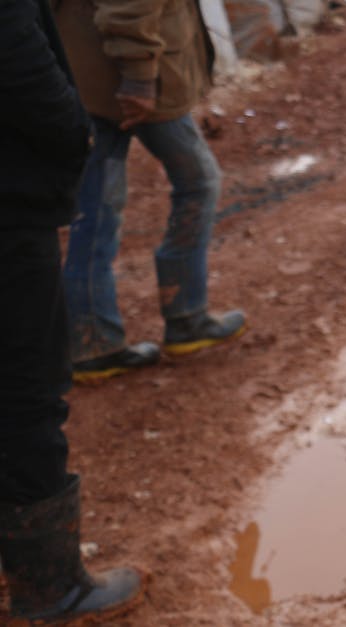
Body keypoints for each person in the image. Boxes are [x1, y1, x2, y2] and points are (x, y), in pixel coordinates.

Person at [0, 0, 143, 621]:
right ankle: (50, 585)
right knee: (24, 390)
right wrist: (74, 138)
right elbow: (24, 67)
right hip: (9, 212)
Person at [54, 0, 246, 382]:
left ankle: (94, 343)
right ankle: (186, 317)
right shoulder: (137, 75)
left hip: (86, 67)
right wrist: (139, 75)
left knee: (96, 205)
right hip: (134, 78)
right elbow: (128, 5)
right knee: (198, 182)